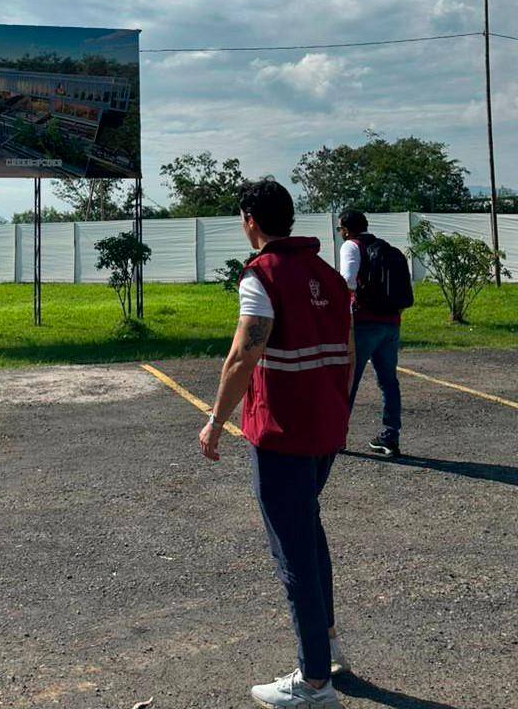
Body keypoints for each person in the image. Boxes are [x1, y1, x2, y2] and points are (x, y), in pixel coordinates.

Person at [199, 179, 353, 708]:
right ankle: (328, 645)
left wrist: (216, 420)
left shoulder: (261, 275)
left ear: (250, 220)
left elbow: (244, 355)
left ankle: (314, 682)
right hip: (325, 430)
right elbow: (348, 353)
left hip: (282, 433)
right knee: (308, 532)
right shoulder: (328, 275)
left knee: (293, 552)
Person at [337, 210, 403, 457]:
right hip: (391, 322)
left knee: (349, 380)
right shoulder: (386, 249)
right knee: (389, 382)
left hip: (364, 323)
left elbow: (348, 282)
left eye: (339, 229)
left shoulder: (351, 247)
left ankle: (338, 436)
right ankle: (390, 435)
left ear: (346, 228)